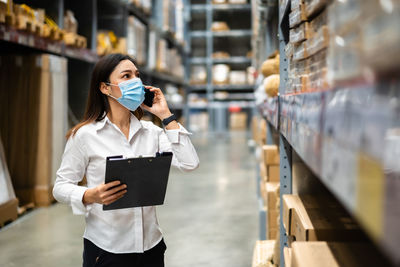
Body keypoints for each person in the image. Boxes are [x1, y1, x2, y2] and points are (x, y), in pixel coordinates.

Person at [53, 53, 199, 267]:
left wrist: (166, 115)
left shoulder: (152, 132)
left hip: (151, 247)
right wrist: (88, 194)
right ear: (105, 87)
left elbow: (189, 164)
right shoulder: (85, 135)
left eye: (137, 75)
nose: (136, 81)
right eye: (126, 76)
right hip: (107, 250)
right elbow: (60, 187)